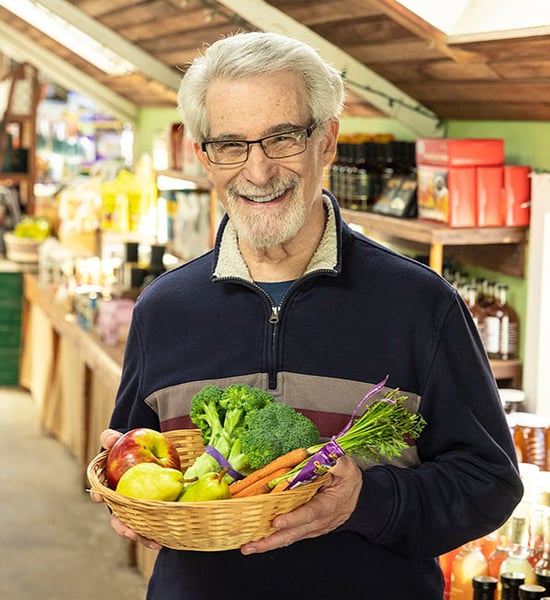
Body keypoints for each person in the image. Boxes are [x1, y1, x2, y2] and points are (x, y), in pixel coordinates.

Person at [93, 31, 523, 599]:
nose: (258, 171)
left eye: (283, 138)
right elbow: (135, 453)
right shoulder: (164, 310)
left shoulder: (422, 305)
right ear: (204, 157)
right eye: (231, 144)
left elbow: (489, 484)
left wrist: (365, 503)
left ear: (328, 141)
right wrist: (125, 491)